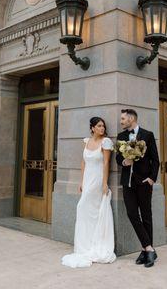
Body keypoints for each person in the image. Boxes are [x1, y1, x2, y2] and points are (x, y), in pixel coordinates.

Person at [62, 117, 116, 268]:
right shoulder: (87, 142)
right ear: (92, 128)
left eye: (103, 126)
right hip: (87, 179)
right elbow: (83, 161)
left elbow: (106, 163)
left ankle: (94, 244)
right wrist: (81, 181)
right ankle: (84, 246)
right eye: (99, 126)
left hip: (98, 180)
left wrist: (105, 183)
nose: (102, 128)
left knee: (85, 208)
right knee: (84, 211)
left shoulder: (106, 142)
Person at [116, 109, 160, 268]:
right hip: (127, 182)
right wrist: (123, 162)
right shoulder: (121, 137)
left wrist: (152, 179)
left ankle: (145, 251)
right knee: (132, 213)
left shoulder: (147, 135)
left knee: (146, 216)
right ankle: (150, 248)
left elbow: (155, 160)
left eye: (122, 118)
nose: (120, 121)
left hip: (144, 182)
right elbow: (118, 157)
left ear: (131, 119)